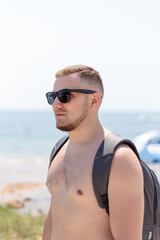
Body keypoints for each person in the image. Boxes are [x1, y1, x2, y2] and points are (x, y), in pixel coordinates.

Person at [42, 65, 144, 240]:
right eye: (52, 97)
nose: (56, 105)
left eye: (65, 96)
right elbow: (54, 220)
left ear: (94, 101)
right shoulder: (59, 149)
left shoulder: (119, 159)